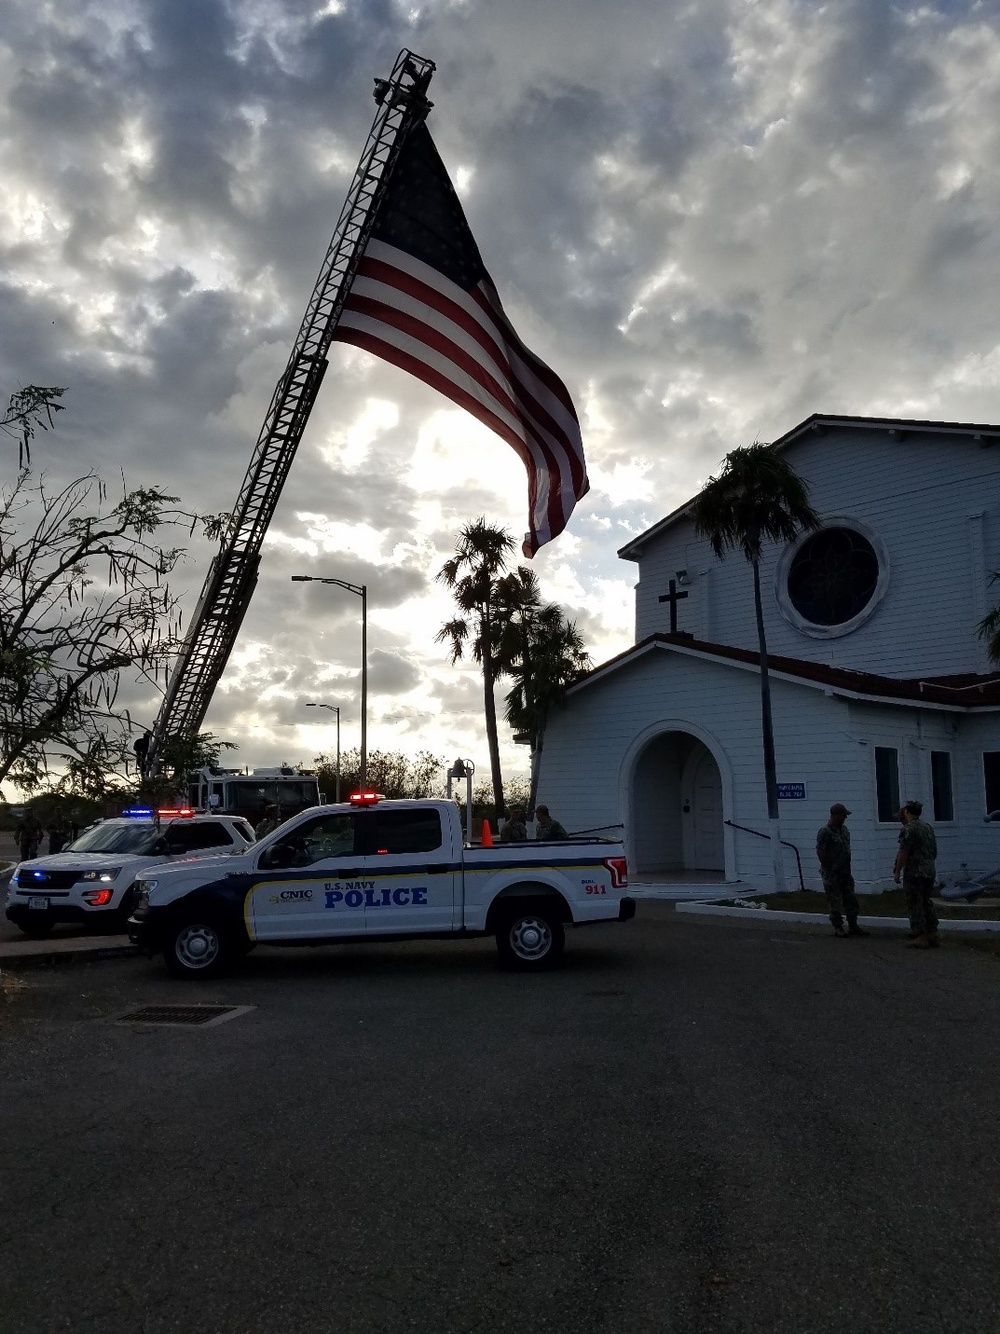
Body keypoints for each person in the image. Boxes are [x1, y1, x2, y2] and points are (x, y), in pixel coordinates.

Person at [816, 802, 867, 938]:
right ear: (835, 815)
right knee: (835, 901)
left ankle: (853, 925)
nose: (845, 818)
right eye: (843, 815)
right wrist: (828, 868)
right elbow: (820, 850)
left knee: (851, 899)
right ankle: (838, 927)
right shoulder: (825, 832)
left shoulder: (844, 830)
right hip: (832, 873)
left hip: (845, 871)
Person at [893, 799, 939, 948]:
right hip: (929, 870)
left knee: (915, 902)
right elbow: (934, 851)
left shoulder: (909, 829)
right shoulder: (927, 827)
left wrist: (898, 871)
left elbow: (904, 852)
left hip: (915, 872)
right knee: (926, 901)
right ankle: (932, 932)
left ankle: (921, 935)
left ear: (907, 812)